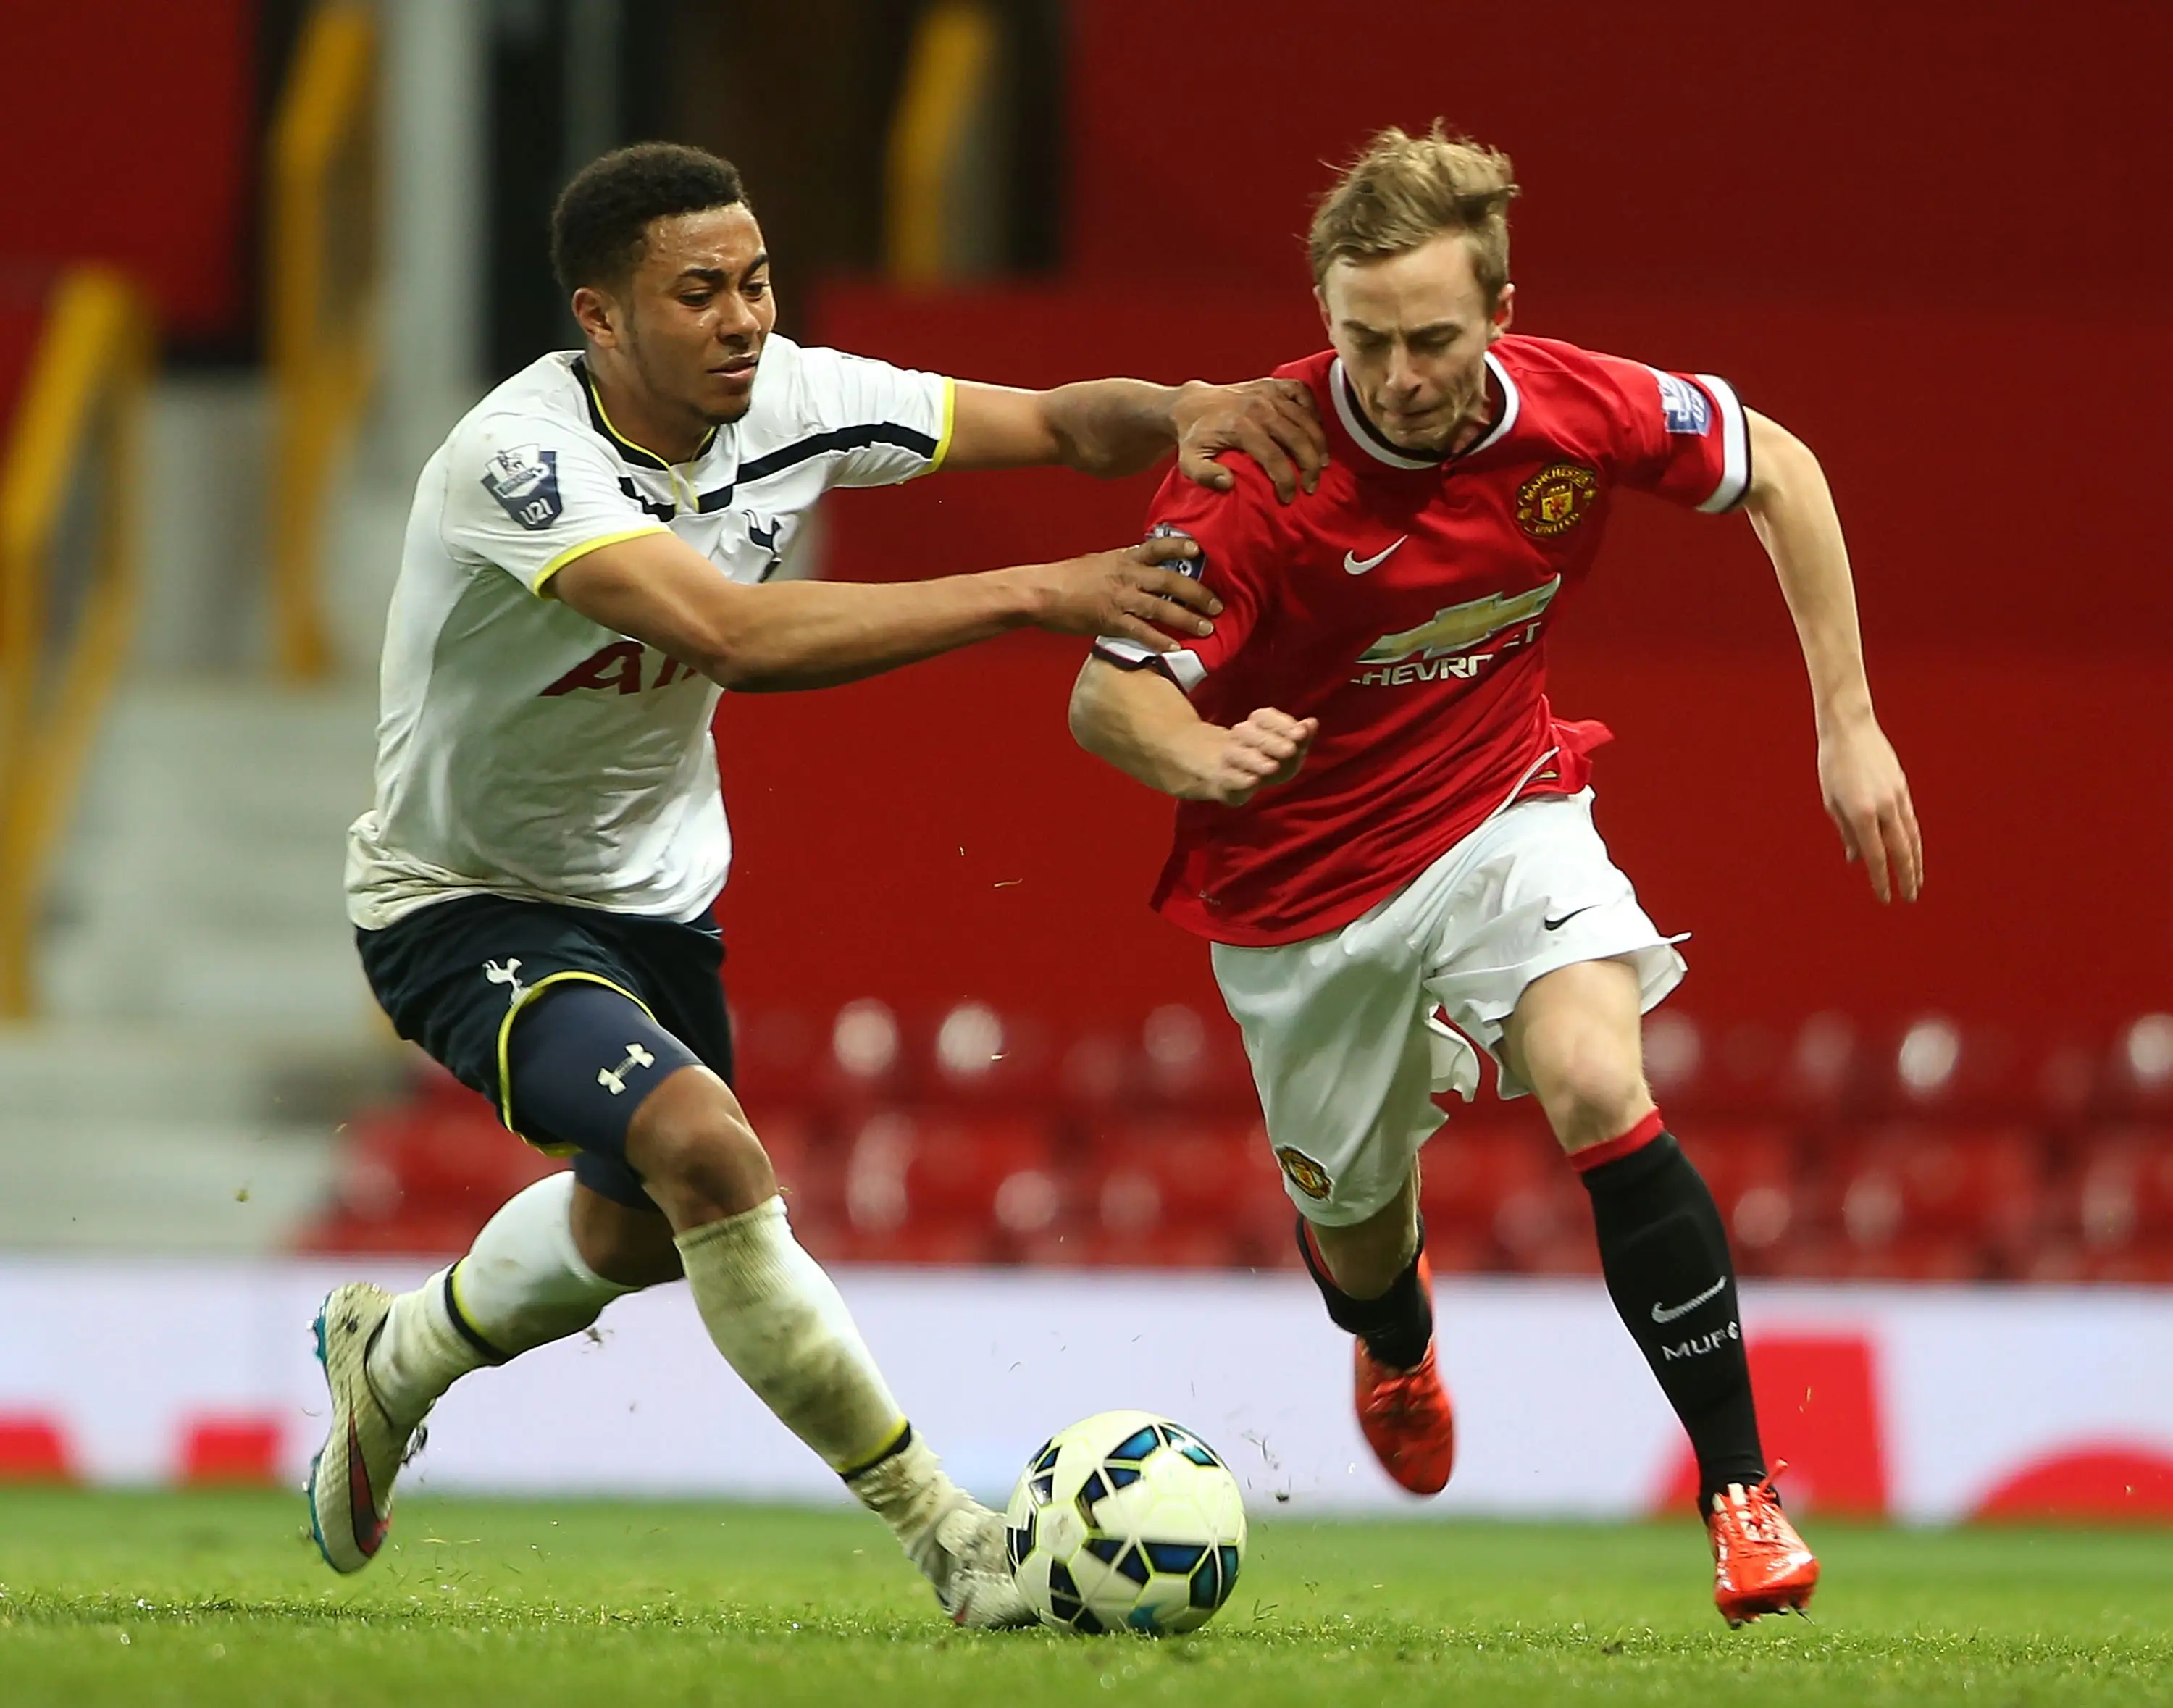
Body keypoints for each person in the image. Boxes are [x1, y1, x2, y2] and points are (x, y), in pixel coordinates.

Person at [309, 142, 1326, 1629]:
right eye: (699, 293)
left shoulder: (790, 394)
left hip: (657, 902)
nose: (742, 320)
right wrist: (1043, 592)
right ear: (601, 319)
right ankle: (954, 1542)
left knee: (637, 1228)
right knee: (708, 1152)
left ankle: (391, 1358)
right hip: (461, 902)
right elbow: (734, 637)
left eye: (758, 282)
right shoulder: (519, 464)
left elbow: (1049, 424)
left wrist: (1188, 410)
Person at [1068, 124, 1922, 1625]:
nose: (1396, 376)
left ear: (1501, 311)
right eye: (1363, 339)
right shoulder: (1255, 474)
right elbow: (1108, 691)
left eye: (1432, 339)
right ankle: (1394, 1344)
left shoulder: (1576, 409)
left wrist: (1846, 721)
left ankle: (1742, 1499)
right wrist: (1192, 758)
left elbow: (1775, 464)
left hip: (1498, 810)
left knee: (1601, 1080)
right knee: (1357, 1228)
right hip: (1297, 894)